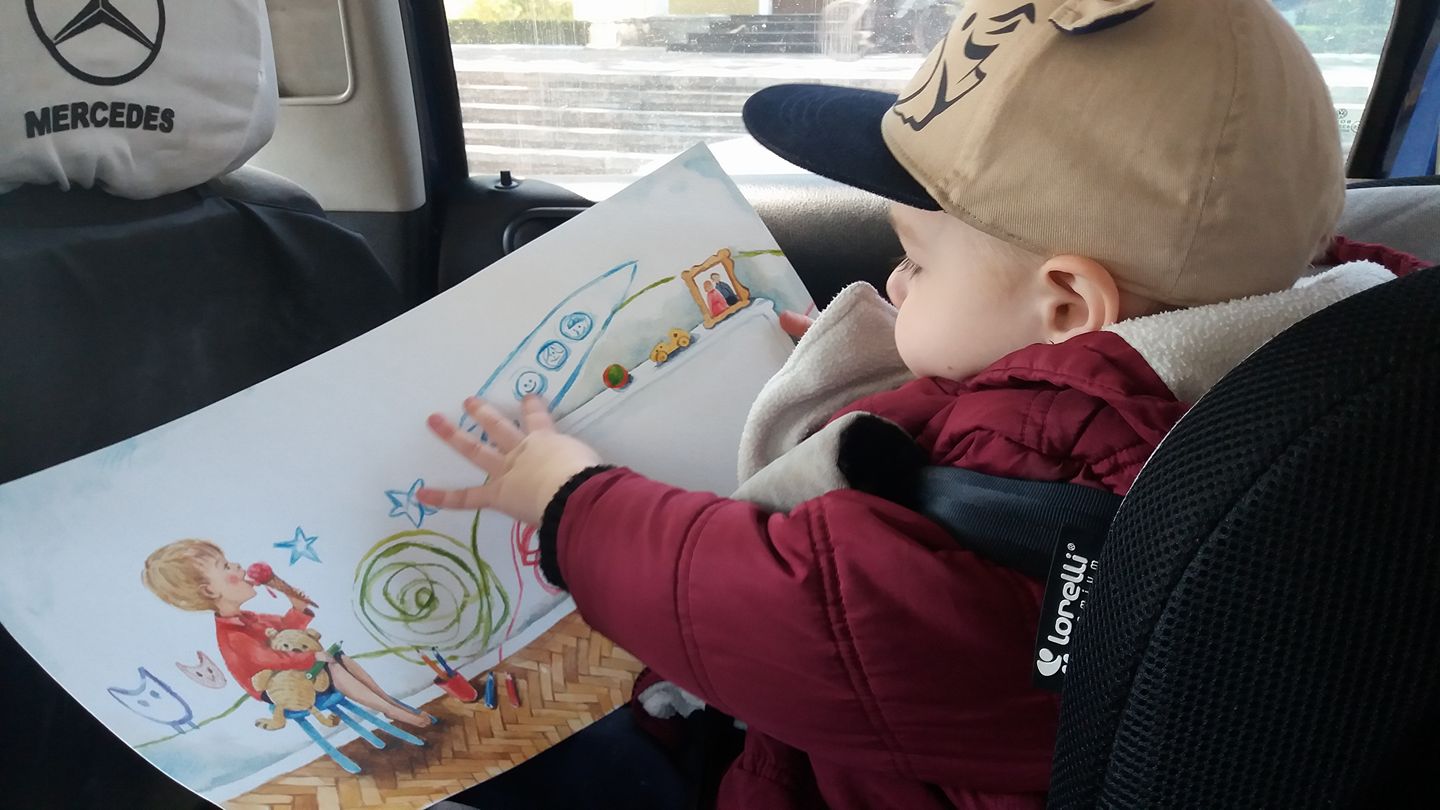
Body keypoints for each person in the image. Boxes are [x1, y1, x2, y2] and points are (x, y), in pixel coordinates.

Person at [418, 2, 1414, 807]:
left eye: (919, 260)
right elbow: (1029, 403)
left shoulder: (1055, 503)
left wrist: (572, 502)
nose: (894, 282)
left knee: (484, 761)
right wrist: (858, 379)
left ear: (1068, 305)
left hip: (819, 774)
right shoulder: (1323, 377)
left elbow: (811, 617)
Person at [142, 539, 434, 728]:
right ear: (209, 591)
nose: (238, 566)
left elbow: (285, 631)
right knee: (332, 666)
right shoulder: (232, 634)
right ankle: (391, 710)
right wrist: (312, 657)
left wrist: (296, 605)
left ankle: (386, 701)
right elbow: (270, 659)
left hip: (292, 670)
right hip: (278, 686)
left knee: (338, 657)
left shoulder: (248, 618)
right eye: (226, 566)